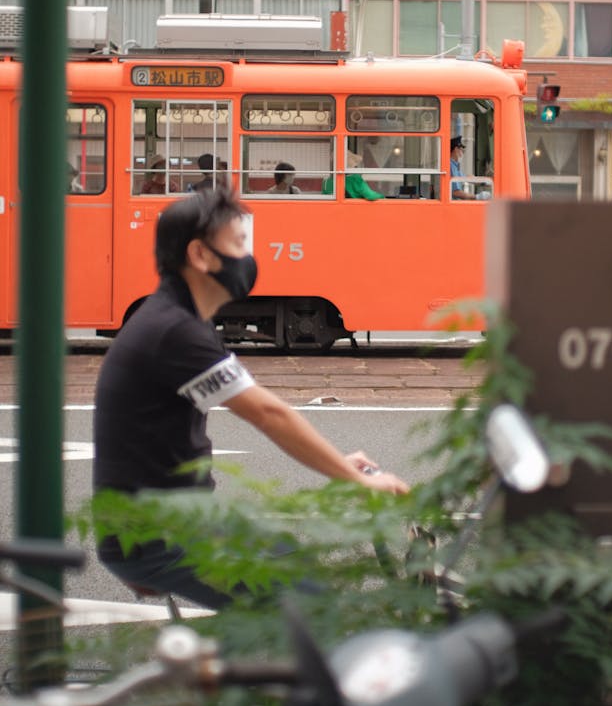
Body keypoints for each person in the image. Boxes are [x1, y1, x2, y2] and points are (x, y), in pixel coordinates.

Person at [93, 186, 408, 610]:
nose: (249, 258)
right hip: (157, 538)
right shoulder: (175, 331)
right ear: (201, 255)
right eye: (240, 244)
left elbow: (254, 397)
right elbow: (266, 413)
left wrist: (337, 463)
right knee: (308, 602)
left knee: (296, 563)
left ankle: (252, 670)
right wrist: (356, 480)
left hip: (181, 520)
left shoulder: (183, 320)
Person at [450, 136, 476, 200]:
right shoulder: (450, 166)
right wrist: (476, 196)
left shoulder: (455, 166)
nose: (462, 154)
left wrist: (480, 180)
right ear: (456, 149)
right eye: (462, 151)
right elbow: (456, 192)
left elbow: (463, 177)